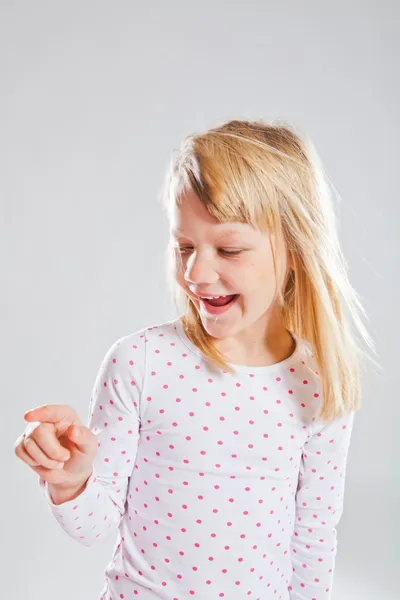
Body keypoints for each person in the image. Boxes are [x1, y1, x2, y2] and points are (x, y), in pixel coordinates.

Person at [15, 119, 376, 600]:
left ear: (294, 251)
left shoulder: (317, 384)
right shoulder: (141, 363)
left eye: (227, 249)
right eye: (184, 246)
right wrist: (70, 478)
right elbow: (93, 525)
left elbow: (312, 539)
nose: (195, 272)